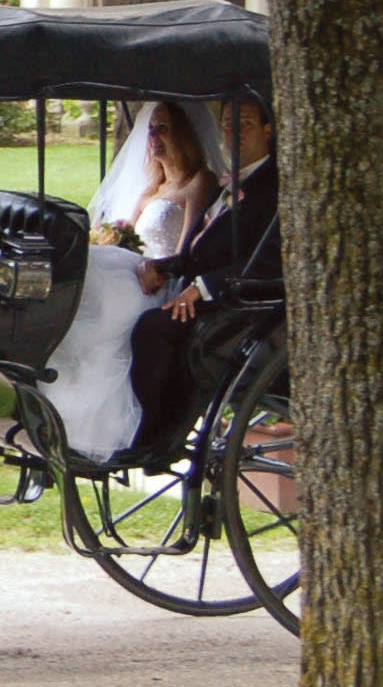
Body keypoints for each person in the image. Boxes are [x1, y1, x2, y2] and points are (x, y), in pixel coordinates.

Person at [41, 101, 225, 460]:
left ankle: (108, 421)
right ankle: (63, 404)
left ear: (183, 135)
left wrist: (158, 268)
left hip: (165, 280)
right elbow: (127, 233)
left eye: (164, 129)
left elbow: (187, 248)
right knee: (86, 289)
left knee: (110, 305)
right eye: (151, 130)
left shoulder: (197, 183)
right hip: (136, 269)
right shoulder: (150, 191)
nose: (155, 138)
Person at [127, 97, 281, 456]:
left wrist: (203, 288)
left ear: (267, 131)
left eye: (244, 124)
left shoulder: (271, 187)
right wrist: (162, 267)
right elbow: (198, 249)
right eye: (228, 124)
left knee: (155, 329)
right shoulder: (230, 182)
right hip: (206, 292)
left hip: (243, 303)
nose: (233, 133)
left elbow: (273, 259)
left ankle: (159, 433)